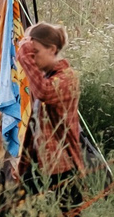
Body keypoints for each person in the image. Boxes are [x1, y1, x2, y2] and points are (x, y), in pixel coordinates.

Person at [16, 21, 86, 204]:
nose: (32, 58)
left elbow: (44, 92)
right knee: (23, 215)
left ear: (52, 50)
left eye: (35, 52)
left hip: (63, 164)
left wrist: (24, 57)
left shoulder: (67, 77)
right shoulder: (45, 77)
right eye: (30, 54)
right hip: (39, 163)